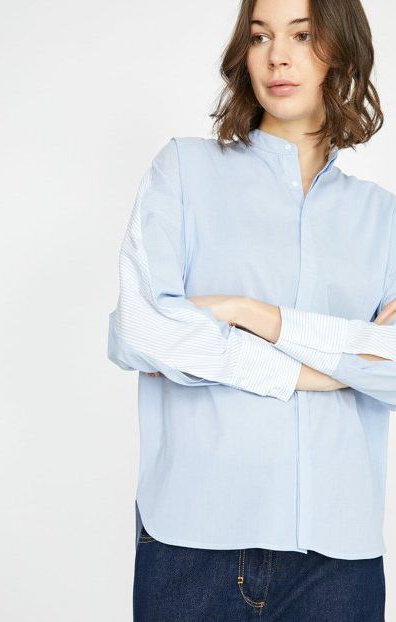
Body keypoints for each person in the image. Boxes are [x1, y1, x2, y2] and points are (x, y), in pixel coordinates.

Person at [108, 0, 396, 619]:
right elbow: (139, 331)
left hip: (337, 559)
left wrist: (252, 313)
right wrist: (333, 368)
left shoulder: (383, 217)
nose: (277, 57)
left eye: (303, 35)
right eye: (260, 36)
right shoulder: (184, 171)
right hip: (192, 543)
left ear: (342, 51)